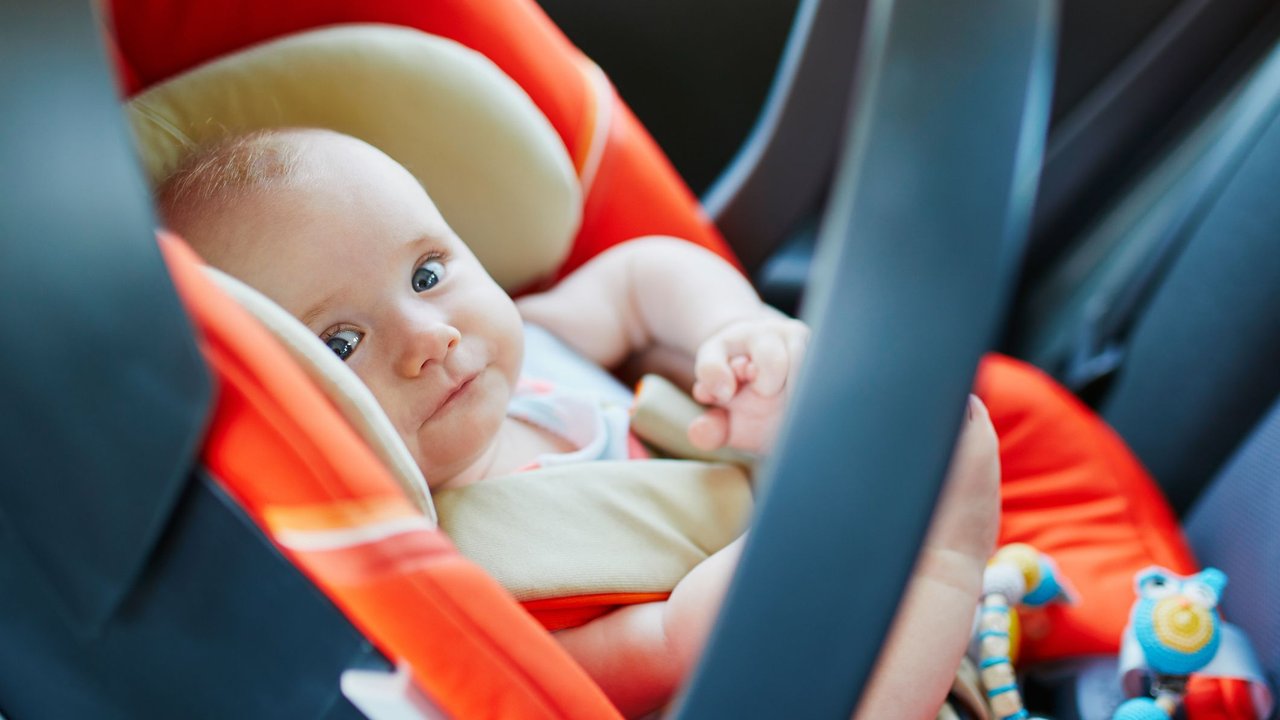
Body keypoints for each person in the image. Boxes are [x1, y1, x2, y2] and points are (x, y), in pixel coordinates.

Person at [158, 127, 999, 719]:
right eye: (340, 342)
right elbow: (657, 649)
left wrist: (735, 332)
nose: (430, 337)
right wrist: (814, 538)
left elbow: (641, 278)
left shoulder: (544, 340)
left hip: (837, 575)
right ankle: (946, 560)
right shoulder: (445, 583)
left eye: (426, 272)